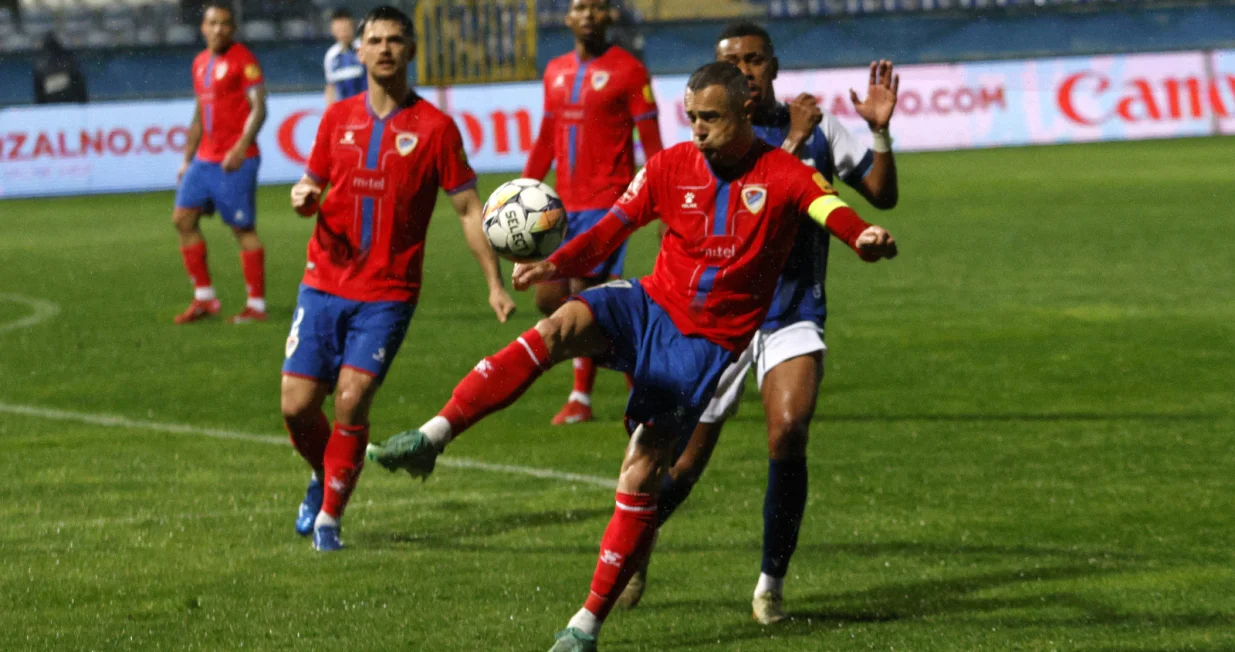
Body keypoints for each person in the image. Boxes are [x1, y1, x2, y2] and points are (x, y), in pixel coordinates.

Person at [366, 61, 899, 651]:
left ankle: (585, 624)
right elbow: (614, 226)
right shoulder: (670, 165)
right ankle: (432, 439)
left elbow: (830, 208)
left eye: (711, 118)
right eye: (692, 117)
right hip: (649, 303)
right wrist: (557, 262)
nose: (698, 129)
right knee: (557, 326)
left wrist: (862, 236)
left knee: (644, 467)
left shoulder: (782, 173)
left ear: (746, 112)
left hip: (702, 344)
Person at [619, 22, 902, 625]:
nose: (744, 70)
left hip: (789, 311)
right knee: (684, 465)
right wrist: (792, 143)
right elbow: (745, 204)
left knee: (789, 431)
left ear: (773, 66)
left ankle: (771, 583)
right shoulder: (710, 140)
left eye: (754, 60)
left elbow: (880, 194)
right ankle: (634, 549)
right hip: (716, 318)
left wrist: (878, 131)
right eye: (732, 62)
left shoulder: (819, 127)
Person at [282, 5, 517, 552]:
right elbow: (309, 187)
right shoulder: (337, 119)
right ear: (358, 51)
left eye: (395, 40)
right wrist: (302, 199)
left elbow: (466, 209)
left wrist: (495, 282)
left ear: (410, 51)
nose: (384, 48)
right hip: (324, 281)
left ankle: (330, 521)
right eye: (375, 40)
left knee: (351, 398)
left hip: (387, 292)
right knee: (296, 407)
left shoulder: (436, 129)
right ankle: (325, 473)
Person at [521, 0, 664, 426]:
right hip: (560, 206)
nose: (587, 14)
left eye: (597, 7)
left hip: (608, 203)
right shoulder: (555, 70)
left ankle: (580, 398)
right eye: (579, 6)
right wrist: (522, 190)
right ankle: (637, 367)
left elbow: (652, 141)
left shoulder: (630, 71)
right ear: (566, 17)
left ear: (608, 16)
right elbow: (547, 137)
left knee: (581, 293)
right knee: (550, 297)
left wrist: (665, 202)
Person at [172, 2, 269, 324]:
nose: (218, 29)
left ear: (233, 29)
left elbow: (260, 108)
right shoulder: (200, 63)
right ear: (203, 27)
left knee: (242, 229)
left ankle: (256, 306)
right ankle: (205, 299)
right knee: (183, 219)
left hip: (236, 159)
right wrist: (187, 159)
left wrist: (241, 147)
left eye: (224, 24)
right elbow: (199, 114)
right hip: (205, 159)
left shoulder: (245, 60)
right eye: (212, 23)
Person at [324, 8, 366, 105]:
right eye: (339, 30)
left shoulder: (364, 48)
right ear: (333, 30)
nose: (343, 33)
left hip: (366, 110)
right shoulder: (331, 56)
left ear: (353, 26)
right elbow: (331, 87)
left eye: (346, 29)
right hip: (344, 113)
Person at [32, 33, 88, 104]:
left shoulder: (41, 65)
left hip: (51, 104)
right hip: (70, 101)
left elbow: (39, 92)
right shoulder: (68, 61)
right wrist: (83, 101)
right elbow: (80, 84)